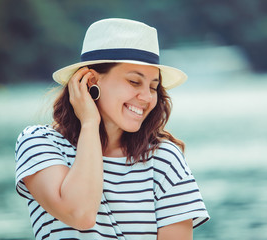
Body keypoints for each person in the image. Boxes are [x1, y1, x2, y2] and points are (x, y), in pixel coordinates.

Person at [15, 18, 210, 240]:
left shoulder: (164, 159)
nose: (146, 97)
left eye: (154, 87)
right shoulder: (40, 143)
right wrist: (90, 123)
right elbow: (80, 214)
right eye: (134, 82)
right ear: (90, 81)